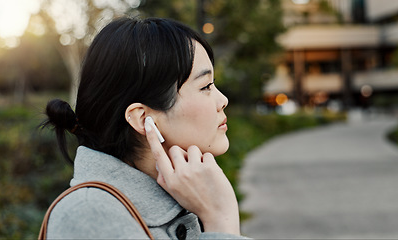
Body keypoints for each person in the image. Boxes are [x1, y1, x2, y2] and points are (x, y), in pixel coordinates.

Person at [42, 17, 249, 239]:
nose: (223, 100)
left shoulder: (186, 194)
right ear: (143, 119)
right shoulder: (88, 215)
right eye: (206, 86)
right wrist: (220, 220)